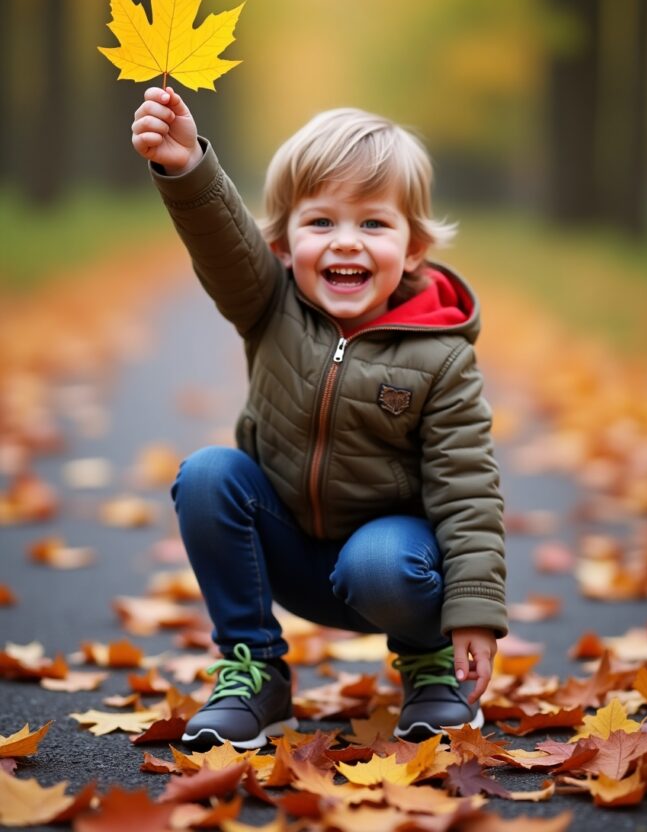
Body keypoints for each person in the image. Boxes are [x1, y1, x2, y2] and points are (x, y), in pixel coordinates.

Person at [132, 86, 507, 751]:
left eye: (372, 224)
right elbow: (221, 241)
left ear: (413, 247)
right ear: (281, 244)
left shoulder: (440, 355)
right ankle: (255, 673)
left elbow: (466, 488)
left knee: (383, 557)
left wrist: (473, 612)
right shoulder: (268, 306)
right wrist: (185, 165)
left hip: (392, 573)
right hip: (285, 552)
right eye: (321, 222)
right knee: (209, 473)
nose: (346, 243)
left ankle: (426, 670)